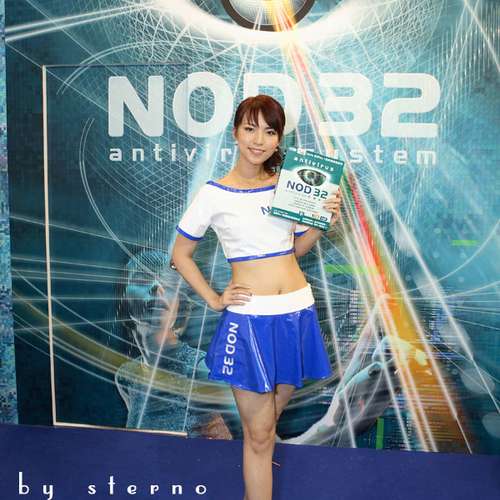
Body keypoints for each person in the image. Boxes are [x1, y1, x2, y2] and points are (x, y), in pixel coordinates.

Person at [171, 94, 342, 500]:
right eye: (250, 129)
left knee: (265, 424)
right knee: (262, 434)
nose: (258, 140)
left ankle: (256, 476)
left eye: (269, 131)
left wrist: (322, 222)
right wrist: (215, 299)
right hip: (250, 321)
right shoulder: (214, 194)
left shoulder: (286, 186)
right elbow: (180, 254)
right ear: (235, 132)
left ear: (279, 139)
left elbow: (293, 250)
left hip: (297, 311)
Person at [115, 250, 232, 439]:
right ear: (123, 299)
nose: (157, 287)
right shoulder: (126, 377)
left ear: (179, 305)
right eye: (143, 279)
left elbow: (254, 435)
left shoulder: (201, 370)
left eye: (169, 284)